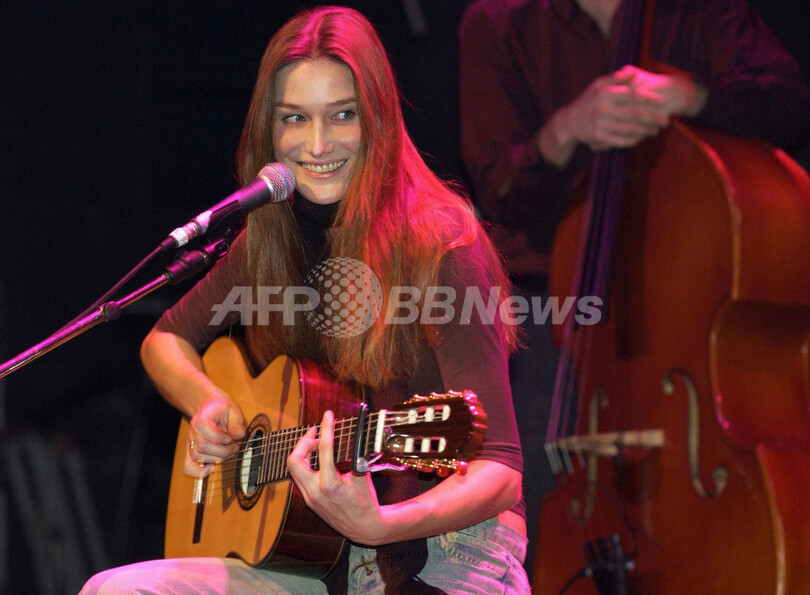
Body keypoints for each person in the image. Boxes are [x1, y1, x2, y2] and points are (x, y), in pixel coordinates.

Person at [81, 6, 531, 594]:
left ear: (378, 120)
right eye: (295, 119)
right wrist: (210, 404)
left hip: (450, 550)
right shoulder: (268, 238)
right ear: (269, 130)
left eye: (342, 115)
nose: (317, 145)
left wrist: (381, 522)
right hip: (317, 556)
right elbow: (163, 341)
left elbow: (501, 470)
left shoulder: (442, 243)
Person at [458, 0, 810, 582]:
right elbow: (497, 189)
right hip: (555, 310)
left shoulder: (703, 10)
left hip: (692, 296)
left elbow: (789, 101)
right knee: (538, 490)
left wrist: (691, 96)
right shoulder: (497, 22)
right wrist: (564, 131)